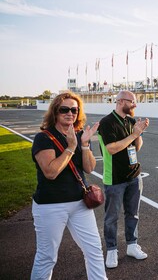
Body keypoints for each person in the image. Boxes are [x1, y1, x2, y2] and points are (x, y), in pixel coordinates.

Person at [30, 92, 106, 280]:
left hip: (80, 204)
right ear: (55, 111)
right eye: (65, 109)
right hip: (51, 205)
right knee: (47, 257)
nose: (70, 113)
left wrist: (85, 144)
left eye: (74, 109)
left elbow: (88, 168)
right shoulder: (44, 138)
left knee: (94, 249)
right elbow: (51, 172)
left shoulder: (80, 135)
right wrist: (71, 147)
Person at [97, 90, 150, 269]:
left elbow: (136, 148)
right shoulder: (106, 122)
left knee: (133, 214)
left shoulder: (131, 121)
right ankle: (112, 250)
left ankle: (132, 245)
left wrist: (139, 133)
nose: (135, 105)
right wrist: (134, 135)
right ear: (120, 102)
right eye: (132, 102)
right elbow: (112, 148)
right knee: (111, 217)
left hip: (134, 175)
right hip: (115, 178)